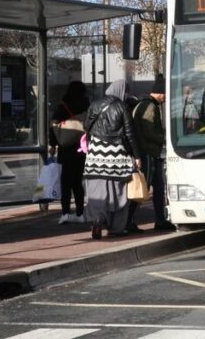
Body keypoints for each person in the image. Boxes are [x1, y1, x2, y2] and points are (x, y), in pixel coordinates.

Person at [84, 79, 141, 239]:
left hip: (96, 154)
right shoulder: (121, 107)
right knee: (119, 191)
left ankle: (97, 219)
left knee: (97, 190)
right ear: (121, 91)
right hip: (117, 156)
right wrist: (137, 156)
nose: (127, 94)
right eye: (126, 91)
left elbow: (86, 126)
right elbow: (130, 134)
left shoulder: (95, 104)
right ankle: (116, 228)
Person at [131, 74, 176, 232]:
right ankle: (129, 221)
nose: (165, 97)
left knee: (157, 186)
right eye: (165, 94)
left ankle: (160, 220)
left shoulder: (145, 104)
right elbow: (149, 130)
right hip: (149, 153)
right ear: (159, 92)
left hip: (149, 152)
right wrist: (163, 137)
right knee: (144, 187)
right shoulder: (149, 106)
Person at [50, 81, 89, 225]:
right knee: (78, 183)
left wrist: (53, 144)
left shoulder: (63, 107)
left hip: (65, 150)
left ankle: (65, 213)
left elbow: (53, 126)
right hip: (81, 149)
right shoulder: (86, 106)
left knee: (65, 183)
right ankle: (80, 213)